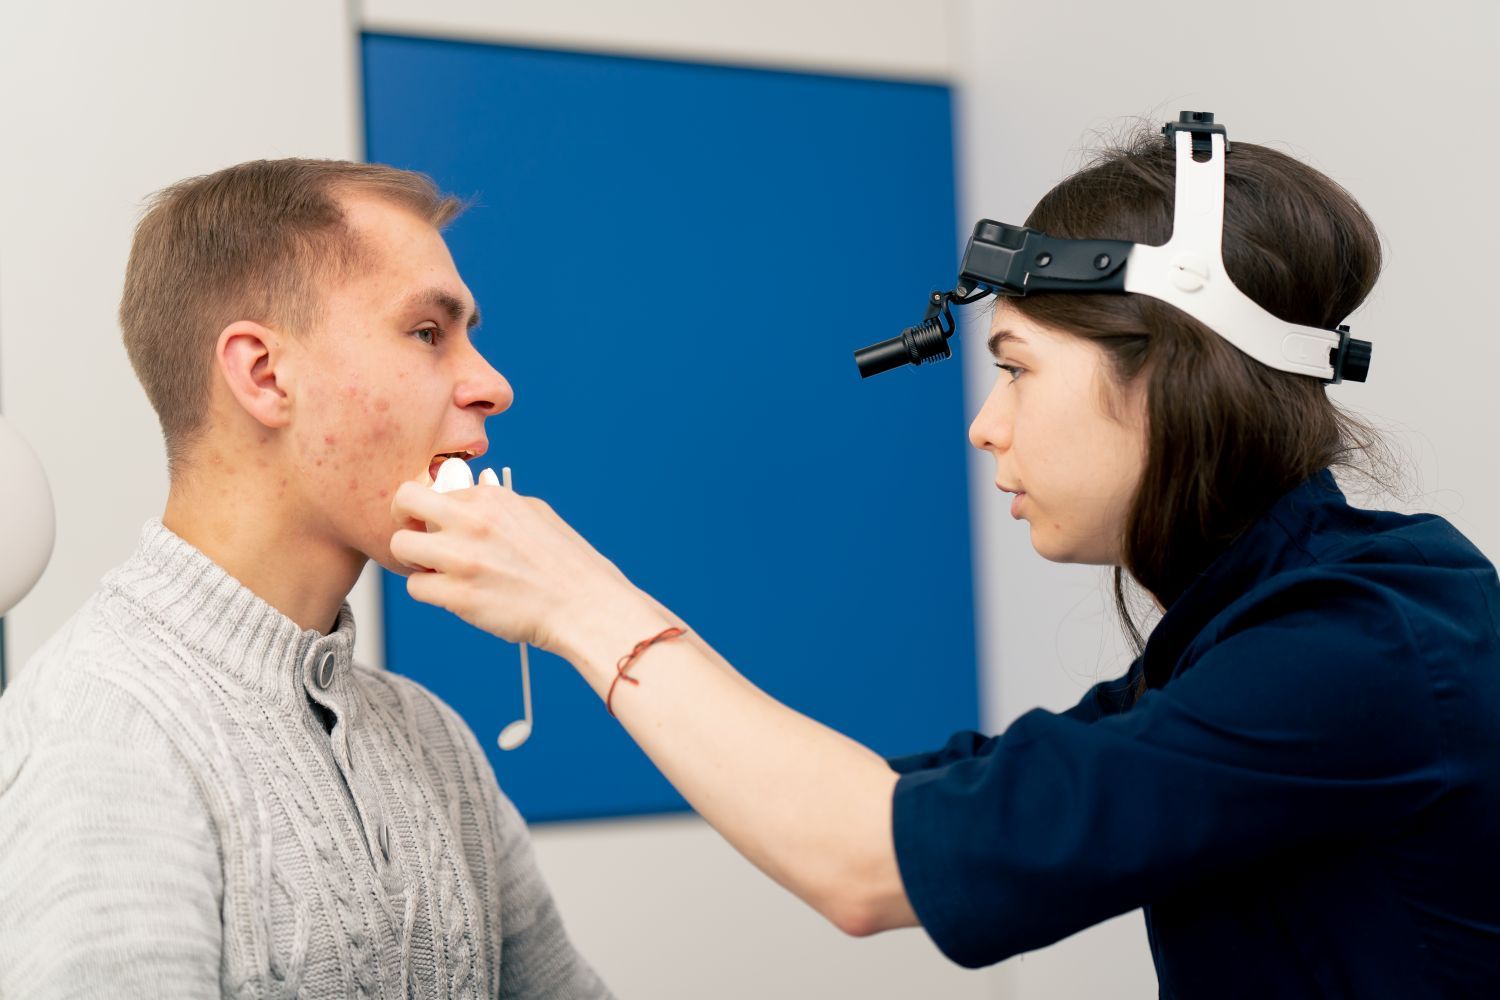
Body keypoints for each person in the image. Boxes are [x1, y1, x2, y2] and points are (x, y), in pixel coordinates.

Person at [387, 125, 1500, 997]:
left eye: (1016, 368)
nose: (985, 424)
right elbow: (920, 797)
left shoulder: (1357, 653)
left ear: (1167, 372)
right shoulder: (1260, 626)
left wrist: (580, 604)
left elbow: (871, 861)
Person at [0, 160, 611, 998]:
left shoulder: (436, 744)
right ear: (263, 375)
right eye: (429, 333)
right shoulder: (105, 737)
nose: (493, 385)